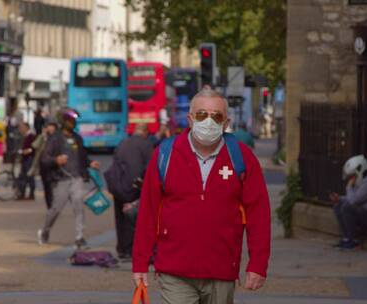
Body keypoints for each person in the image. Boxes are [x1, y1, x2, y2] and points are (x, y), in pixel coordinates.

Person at [132, 88, 271, 304]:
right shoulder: (165, 154)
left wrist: (258, 264)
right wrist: (140, 262)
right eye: (201, 114)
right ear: (190, 119)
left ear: (226, 122)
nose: (209, 121)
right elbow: (148, 212)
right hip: (174, 270)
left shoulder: (242, 157)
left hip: (222, 270)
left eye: (216, 116)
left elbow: (259, 214)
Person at [37, 108, 100, 249]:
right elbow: (44, 159)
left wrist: (90, 163)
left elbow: (83, 157)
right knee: (56, 209)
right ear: (63, 121)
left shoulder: (77, 138)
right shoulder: (55, 139)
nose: (73, 123)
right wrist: (56, 160)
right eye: (70, 120)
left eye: (74, 120)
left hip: (77, 178)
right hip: (61, 180)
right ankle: (45, 231)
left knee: (79, 207)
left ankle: (79, 237)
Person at [110, 123, 154, 259]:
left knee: (120, 218)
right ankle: (131, 250)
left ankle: (122, 249)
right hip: (135, 187)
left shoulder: (122, 143)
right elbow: (151, 167)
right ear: (145, 132)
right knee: (135, 219)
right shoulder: (146, 145)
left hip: (118, 185)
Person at [329, 155, 367, 249]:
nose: (351, 179)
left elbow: (353, 201)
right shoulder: (364, 181)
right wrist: (339, 199)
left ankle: (352, 241)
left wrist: (349, 187)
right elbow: (355, 198)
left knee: (347, 207)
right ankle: (347, 238)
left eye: (352, 176)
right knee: (338, 205)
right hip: (366, 213)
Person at [30, 122, 57, 209]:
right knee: (46, 185)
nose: (50, 130)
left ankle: (54, 202)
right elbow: (34, 145)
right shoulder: (43, 138)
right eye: (48, 128)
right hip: (43, 165)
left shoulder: (58, 139)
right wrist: (42, 136)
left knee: (54, 185)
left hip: (55, 165)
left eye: (52, 129)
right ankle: (49, 204)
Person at [17, 122, 36, 200]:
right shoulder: (24, 136)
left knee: (29, 176)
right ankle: (22, 193)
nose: (20, 130)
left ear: (26, 128)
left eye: (22, 128)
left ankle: (31, 194)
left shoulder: (31, 136)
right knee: (22, 176)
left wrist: (27, 151)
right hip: (24, 159)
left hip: (29, 159)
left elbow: (33, 147)